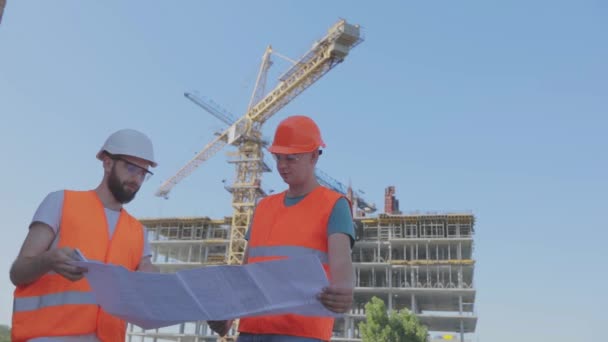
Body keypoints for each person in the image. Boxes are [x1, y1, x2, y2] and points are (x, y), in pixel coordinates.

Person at [209, 115, 355, 341]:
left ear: (314, 156)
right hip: (251, 331)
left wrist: (344, 292)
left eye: (291, 158)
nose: (282, 166)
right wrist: (229, 313)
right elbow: (247, 268)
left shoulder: (334, 205)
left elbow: (342, 267)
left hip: (301, 334)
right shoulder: (263, 207)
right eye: (278, 158)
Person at [10, 129, 158, 342]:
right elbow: (18, 272)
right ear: (107, 163)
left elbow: (147, 277)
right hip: (48, 337)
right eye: (131, 167)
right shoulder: (60, 202)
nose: (137, 179)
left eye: (144, 173)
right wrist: (49, 260)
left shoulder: (138, 232)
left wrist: (154, 278)